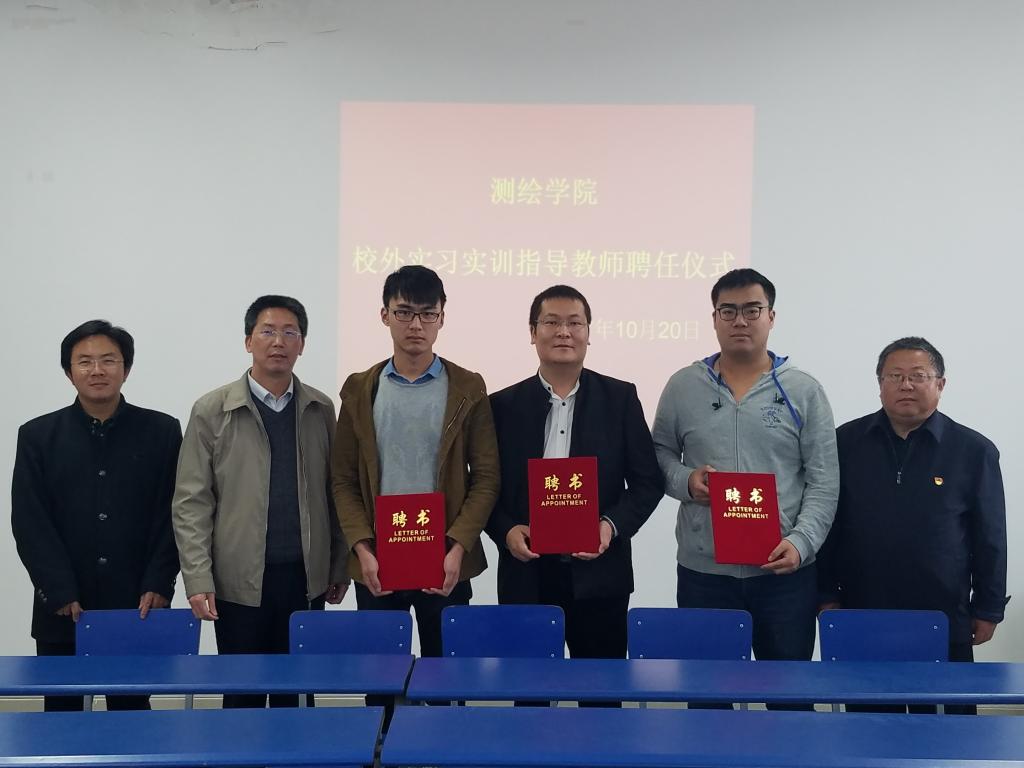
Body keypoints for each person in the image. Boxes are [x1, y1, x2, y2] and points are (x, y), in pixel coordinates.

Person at [653, 268, 839, 672]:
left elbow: (824, 480)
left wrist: (801, 543)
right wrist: (687, 481)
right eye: (729, 311)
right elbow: (658, 454)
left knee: (787, 693)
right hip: (705, 573)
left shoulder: (804, 390)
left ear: (771, 316)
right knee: (707, 691)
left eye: (752, 310)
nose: (740, 320)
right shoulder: (683, 386)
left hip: (784, 572)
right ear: (714, 318)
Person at [173, 295, 348, 708]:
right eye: (268, 331)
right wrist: (197, 578)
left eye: (290, 333)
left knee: (296, 697)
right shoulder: (212, 410)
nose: (279, 342)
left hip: (304, 579)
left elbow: (336, 492)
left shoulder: (320, 408)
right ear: (248, 341)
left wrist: (339, 564)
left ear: (302, 344)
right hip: (238, 582)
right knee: (242, 698)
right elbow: (191, 502)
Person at [818, 337, 1008, 712]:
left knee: (948, 728)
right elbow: (828, 523)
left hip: (943, 615)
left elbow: (990, 537)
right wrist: (824, 595)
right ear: (880, 384)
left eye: (918, 376)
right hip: (862, 611)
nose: (906, 385)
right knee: (869, 724)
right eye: (895, 376)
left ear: (940, 384)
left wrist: (988, 609)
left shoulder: (973, 450)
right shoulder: (844, 443)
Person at [486, 285, 663, 664]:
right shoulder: (502, 406)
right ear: (533, 332)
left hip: (600, 576)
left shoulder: (619, 398)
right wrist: (506, 530)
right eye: (551, 322)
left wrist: (610, 526)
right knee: (527, 687)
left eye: (574, 323)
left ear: (588, 332)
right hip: (526, 573)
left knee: (601, 689)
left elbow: (648, 482)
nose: (563, 332)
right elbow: (485, 486)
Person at [12, 320, 181, 711]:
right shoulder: (38, 435)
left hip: (137, 604)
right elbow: (29, 520)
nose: (97, 370)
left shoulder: (162, 431)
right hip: (63, 606)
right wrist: (58, 589)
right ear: (69, 371)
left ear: (126, 368)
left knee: (132, 713)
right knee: (62, 715)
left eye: (109, 360)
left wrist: (159, 581)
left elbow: (173, 513)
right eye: (85, 361)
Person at [332, 265, 499, 657]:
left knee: (447, 677)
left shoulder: (467, 387)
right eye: (404, 312)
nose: (416, 325)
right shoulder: (359, 389)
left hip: (445, 561)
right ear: (385, 315)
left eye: (427, 313)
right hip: (377, 562)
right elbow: (342, 480)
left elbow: (487, 477)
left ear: (442, 317)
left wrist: (458, 547)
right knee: (381, 679)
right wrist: (362, 548)